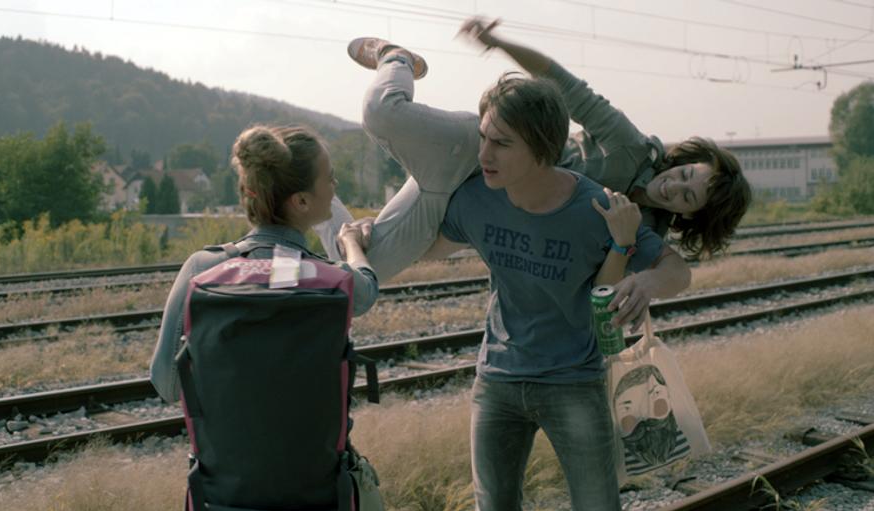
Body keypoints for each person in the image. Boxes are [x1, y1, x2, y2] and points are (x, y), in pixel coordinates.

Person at [314, 17, 752, 307]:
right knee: (382, 112)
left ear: (690, 215)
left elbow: (676, 272)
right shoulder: (628, 145)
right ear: (684, 160)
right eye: (686, 173)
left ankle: (312, 192)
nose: (675, 185)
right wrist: (497, 42)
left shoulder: (642, 227)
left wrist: (647, 283)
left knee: (359, 273)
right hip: (483, 145)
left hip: (465, 197)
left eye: (688, 196)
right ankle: (396, 58)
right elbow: (562, 82)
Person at [417, 71, 690, 511]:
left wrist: (646, 283)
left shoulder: (596, 207)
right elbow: (426, 247)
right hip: (498, 380)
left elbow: (676, 269)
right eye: (483, 138)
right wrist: (371, 236)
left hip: (573, 382)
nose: (484, 155)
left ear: (542, 147)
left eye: (501, 143)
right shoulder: (476, 199)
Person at [150, 124, 378, 402]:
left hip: (225, 432)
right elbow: (367, 289)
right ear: (302, 201)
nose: (335, 186)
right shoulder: (326, 277)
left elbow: (168, 385)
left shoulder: (202, 268)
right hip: (312, 432)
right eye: (330, 179)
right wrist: (352, 243)